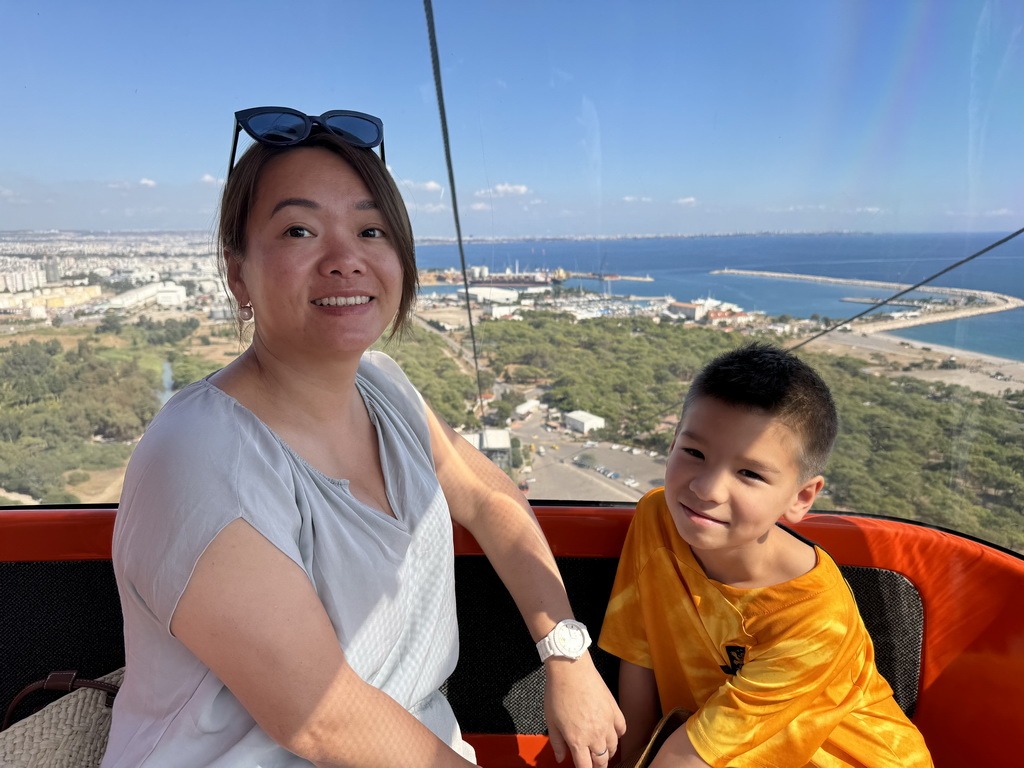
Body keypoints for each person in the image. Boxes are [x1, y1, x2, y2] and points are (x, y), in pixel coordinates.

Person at [103, 107, 624, 768]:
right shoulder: (199, 454)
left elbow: (488, 496)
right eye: (299, 230)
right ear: (238, 274)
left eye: (370, 229)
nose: (346, 259)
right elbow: (326, 719)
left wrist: (566, 652)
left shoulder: (384, 386)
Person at [598, 343, 933, 767]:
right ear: (672, 445)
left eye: (750, 473)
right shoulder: (658, 516)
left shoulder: (815, 618)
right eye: (694, 453)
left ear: (801, 497)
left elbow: (686, 760)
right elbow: (639, 650)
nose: (707, 490)